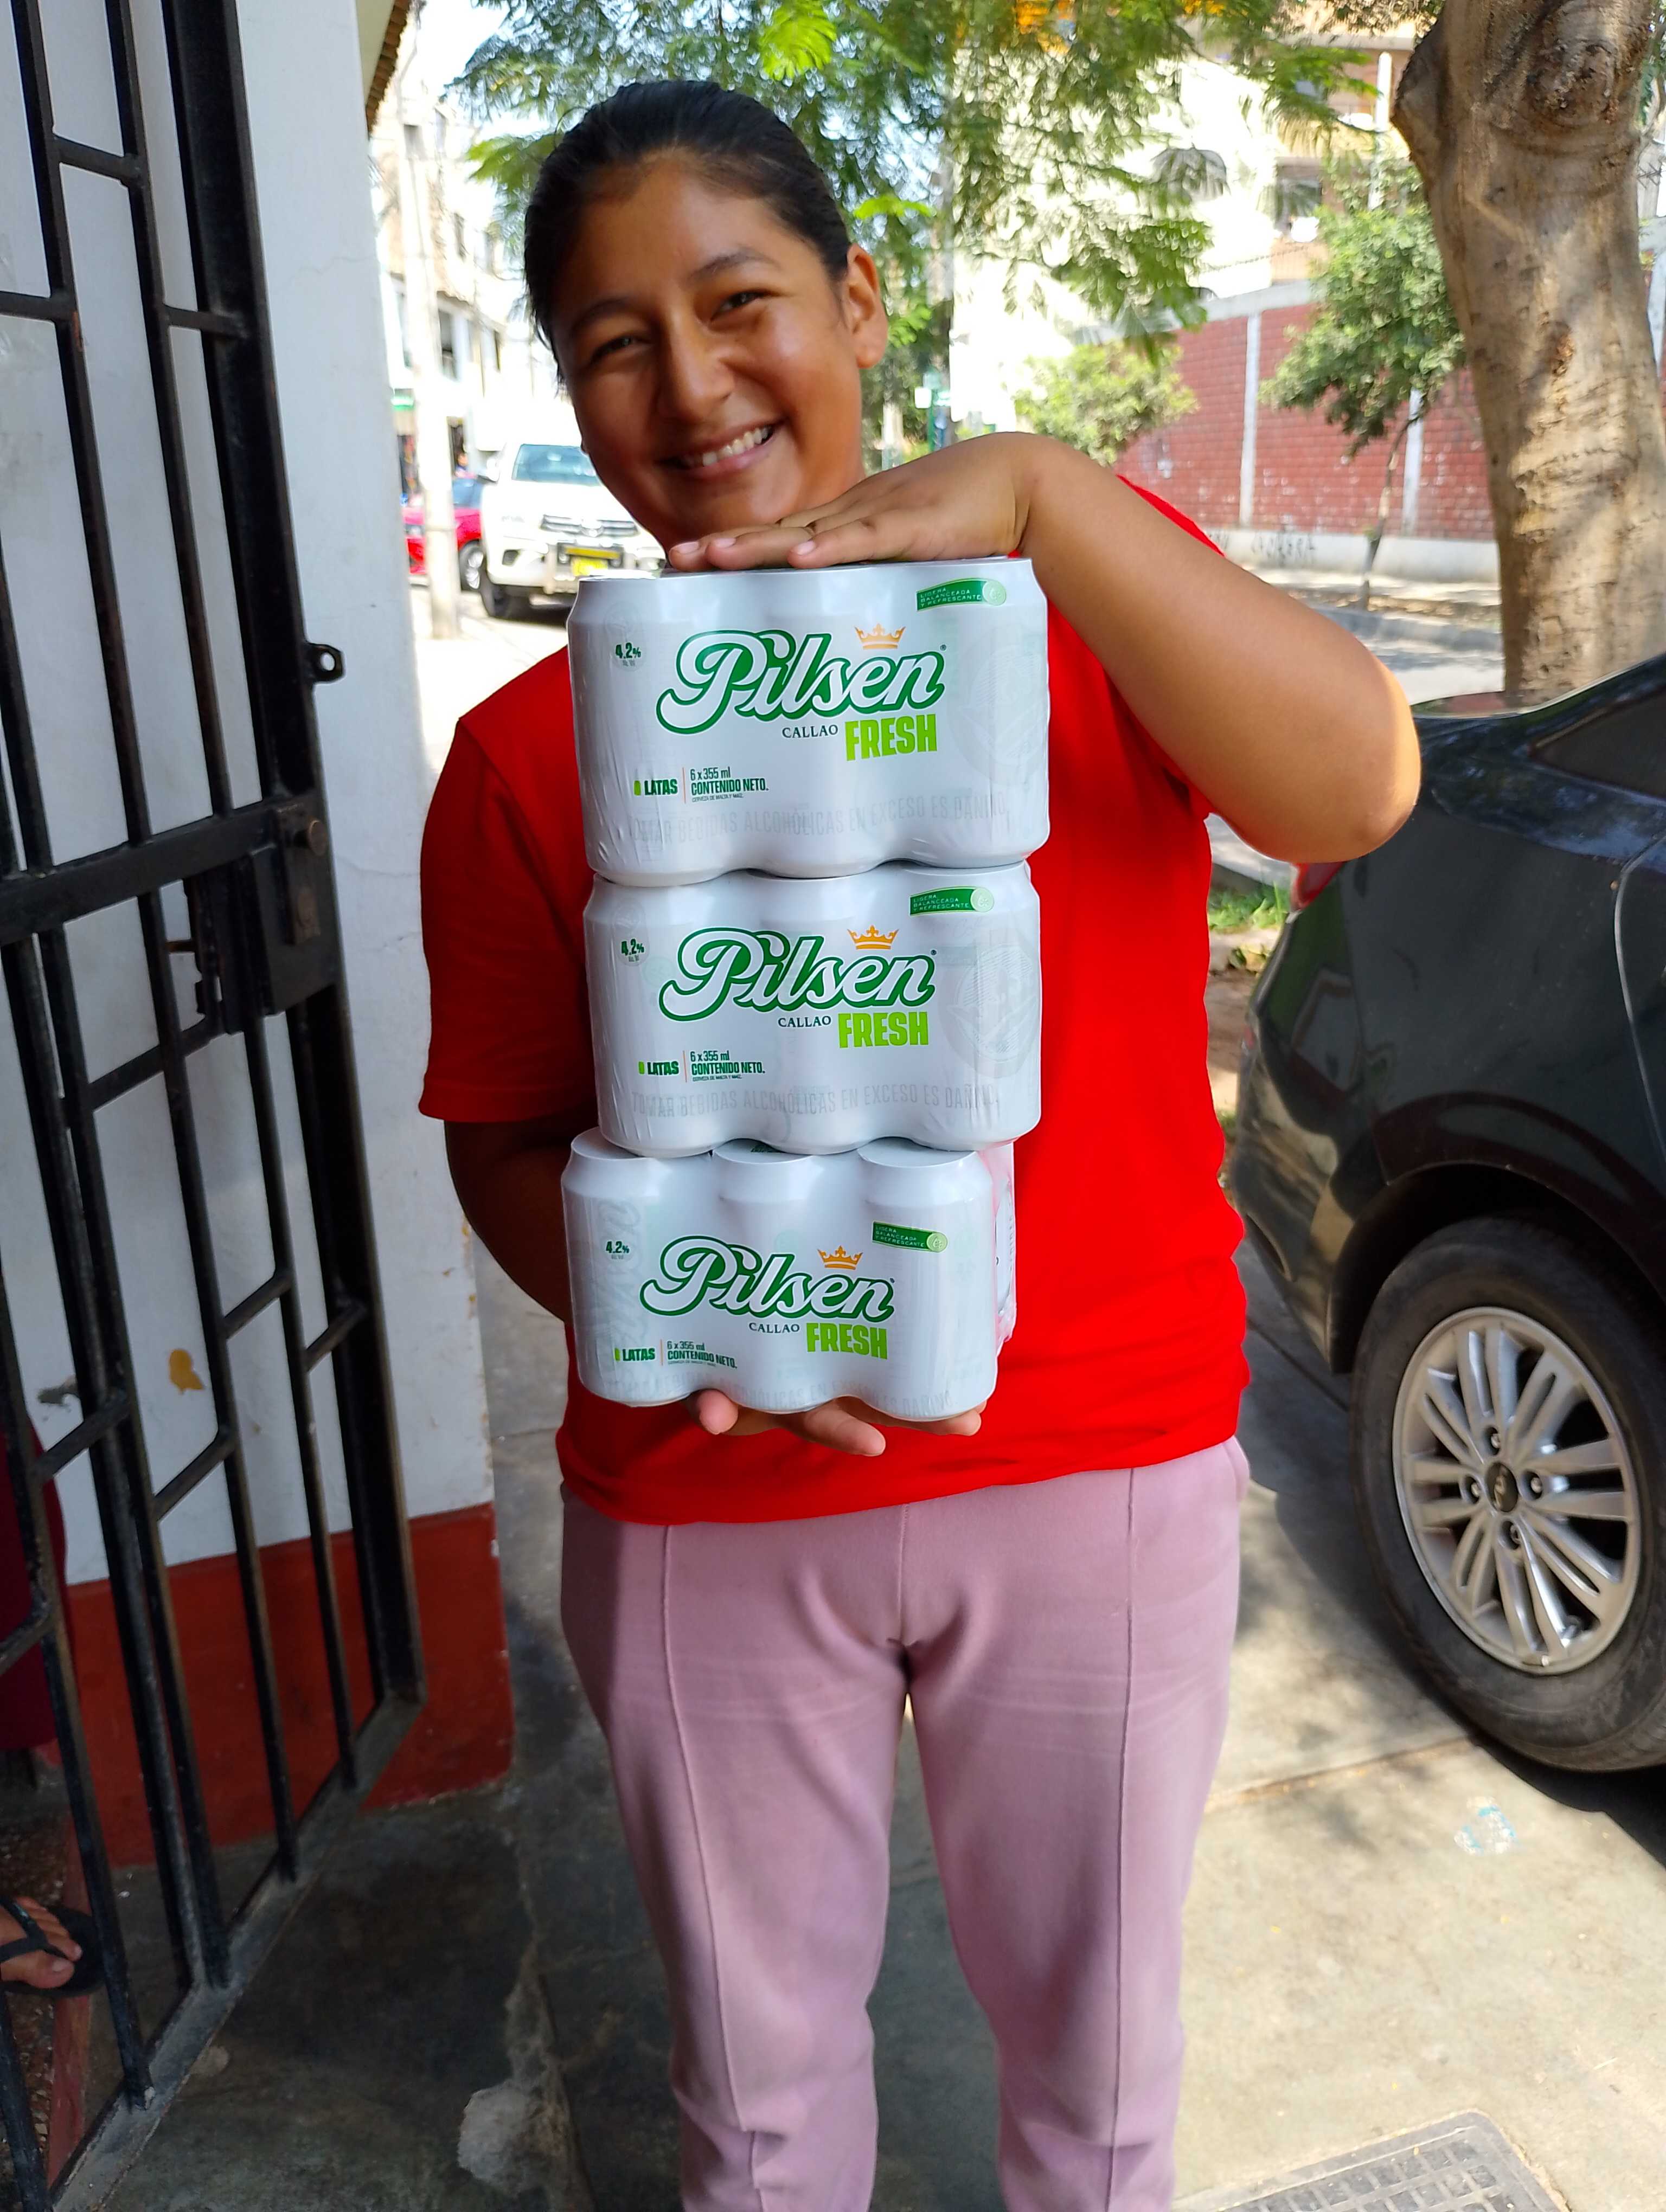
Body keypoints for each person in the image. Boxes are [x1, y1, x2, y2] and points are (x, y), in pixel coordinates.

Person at [419, 79, 1419, 2212]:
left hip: (1095, 1457)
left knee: (1103, 2087)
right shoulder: (529, 752)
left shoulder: (1088, 626)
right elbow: (504, 1139)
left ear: (859, 303)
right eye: (615, 341)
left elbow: (1354, 787)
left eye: (740, 302)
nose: (693, 387)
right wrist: (675, 1307)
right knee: (759, 2113)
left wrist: (1053, 497)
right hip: (707, 1487)